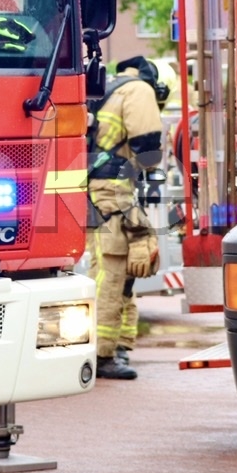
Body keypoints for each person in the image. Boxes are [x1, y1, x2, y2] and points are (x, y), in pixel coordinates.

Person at [85, 56, 169, 380]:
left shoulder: (107, 87)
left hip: (86, 183)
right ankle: (102, 353)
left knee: (119, 265)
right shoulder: (139, 90)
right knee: (115, 264)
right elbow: (146, 142)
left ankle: (118, 344)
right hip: (111, 186)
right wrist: (152, 181)